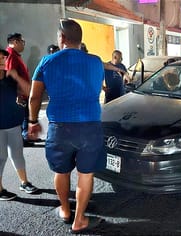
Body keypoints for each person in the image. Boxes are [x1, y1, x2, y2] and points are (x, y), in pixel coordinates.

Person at [28, 18, 106, 234]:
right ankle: (79, 219)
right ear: (80, 39)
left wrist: (33, 121)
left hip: (60, 128)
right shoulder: (96, 61)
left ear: (61, 38)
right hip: (90, 126)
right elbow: (97, 88)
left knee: (61, 172)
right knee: (85, 174)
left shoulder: (46, 61)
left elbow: (34, 97)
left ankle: (64, 210)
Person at [0, 48, 38, 200]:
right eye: (0, 59)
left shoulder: (10, 78)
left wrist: (16, 76)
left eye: (3, 59)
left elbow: (29, 91)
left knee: (17, 155)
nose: (2, 62)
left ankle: (24, 182)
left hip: (14, 123)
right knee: (1, 158)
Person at [5, 33, 40, 146]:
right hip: (17, 94)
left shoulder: (15, 55)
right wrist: (16, 94)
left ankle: (26, 136)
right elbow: (10, 75)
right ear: (15, 42)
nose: (24, 45)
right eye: (22, 42)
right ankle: (21, 139)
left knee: (25, 115)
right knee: (20, 117)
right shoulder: (10, 54)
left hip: (22, 92)